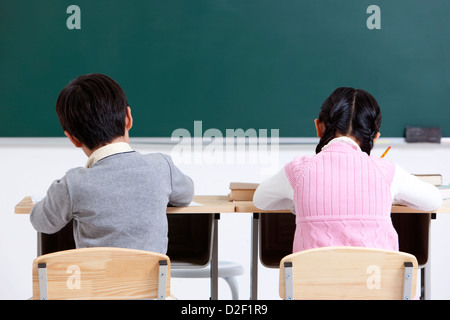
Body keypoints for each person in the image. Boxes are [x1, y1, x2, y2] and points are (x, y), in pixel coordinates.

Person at [253, 87, 442, 252]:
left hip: (314, 292)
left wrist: (297, 202)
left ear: (319, 127)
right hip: (376, 290)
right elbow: (434, 200)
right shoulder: (387, 172)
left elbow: (260, 200)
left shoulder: (298, 171)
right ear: (375, 137)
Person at [30, 73, 194, 253]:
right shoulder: (162, 166)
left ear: (72, 138)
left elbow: (41, 222)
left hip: (95, 281)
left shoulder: (73, 183)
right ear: (128, 117)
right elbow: (186, 195)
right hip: (152, 281)